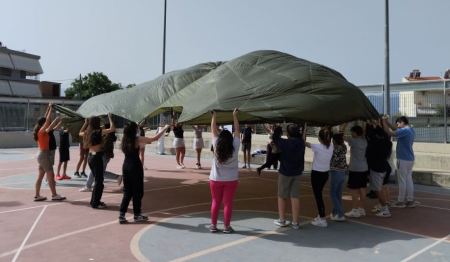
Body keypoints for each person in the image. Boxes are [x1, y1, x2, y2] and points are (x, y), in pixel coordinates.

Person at [119, 122, 170, 224]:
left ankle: (122, 215)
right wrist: (164, 128)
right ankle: (137, 215)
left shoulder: (125, 140)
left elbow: (147, 141)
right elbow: (154, 139)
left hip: (126, 166)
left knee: (127, 192)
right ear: (134, 130)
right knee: (138, 192)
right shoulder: (137, 139)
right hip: (135, 166)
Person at [209, 109, 240, 233]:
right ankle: (227, 226)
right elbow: (237, 131)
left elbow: (213, 130)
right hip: (231, 180)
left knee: (215, 201)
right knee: (227, 203)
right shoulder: (235, 146)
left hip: (215, 179)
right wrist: (234, 116)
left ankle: (213, 225)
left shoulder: (216, 144)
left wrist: (214, 116)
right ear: (231, 139)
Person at [272, 124, 305, 230]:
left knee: (281, 196)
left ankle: (282, 219)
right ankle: (295, 222)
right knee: (295, 197)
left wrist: (277, 129)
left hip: (285, 172)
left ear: (288, 133)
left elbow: (275, 138)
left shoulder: (285, 143)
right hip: (297, 172)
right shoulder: (301, 143)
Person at [79, 114, 115, 209]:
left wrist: (86, 123)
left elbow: (80, 132)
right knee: (99, 181)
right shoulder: (99, 131)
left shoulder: (88, 132)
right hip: (97, 157)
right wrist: (110, 117)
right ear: (97, 123)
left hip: (90, 157)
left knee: (98, 180)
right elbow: (112, 129)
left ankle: (95, 201)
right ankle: (95, 203)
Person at [33, 103, 66, 201]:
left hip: (42, 155)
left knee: (41, 175)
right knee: (50, 175)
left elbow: (49, 124)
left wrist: (49, 108)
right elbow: (47, 120)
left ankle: (37, 195)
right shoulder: (41, 131)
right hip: (44, 155)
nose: (48, 123)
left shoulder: (42, 131)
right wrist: (51, 110)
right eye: (46, 123)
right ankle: (54, 195)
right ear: (43, 124)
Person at [382, 115, 417, 208]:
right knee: (409, 179)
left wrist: (384, 122)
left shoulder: (404, 131)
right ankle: (410, 200)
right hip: (410, 159)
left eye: (398, 123)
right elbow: (395, 129)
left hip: (403, 159)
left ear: (402, 122)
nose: (396, 124)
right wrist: (388, 122)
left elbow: (390, 133)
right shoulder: (411, 130)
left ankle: (400, 201)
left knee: (402, 181)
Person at [306, 128, 333, 227]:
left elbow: (304, 142)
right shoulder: (331, 146)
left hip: (317, 174)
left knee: (318, 196)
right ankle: (320, 216)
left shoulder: (317, 146)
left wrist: (304, 130)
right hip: (325, 174)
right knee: (319, 194)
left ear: (320, 138)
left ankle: (322, 218)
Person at [366, 119, 393, 217]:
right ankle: (383, 206)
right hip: (382, 166)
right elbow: (385, 133)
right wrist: (378, 124)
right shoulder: (387, 142)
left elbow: (371, 134)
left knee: (378, 189)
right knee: (379, 188)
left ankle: (385, 209)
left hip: (377, 168)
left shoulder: (376, 142)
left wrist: (372, 124)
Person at [344, 124, 369, 218]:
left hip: (355, 169)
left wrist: (343, 126)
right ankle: (361, 209)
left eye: (352, 132)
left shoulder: (353, 141)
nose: (351, 134)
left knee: (353, 190)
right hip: (364, 168)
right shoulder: (365, 141)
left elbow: (341, 137)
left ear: (355, 132)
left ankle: (354, 209)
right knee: (362, 189)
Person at [329, 132, 348, 221]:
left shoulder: (335, 149)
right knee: (338, 194)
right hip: (343, 172)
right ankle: (335, 212)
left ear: (334, 140)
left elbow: (333, 159)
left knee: (333, 193)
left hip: (336, 171)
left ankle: (340, 213)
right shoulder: (344, 147)